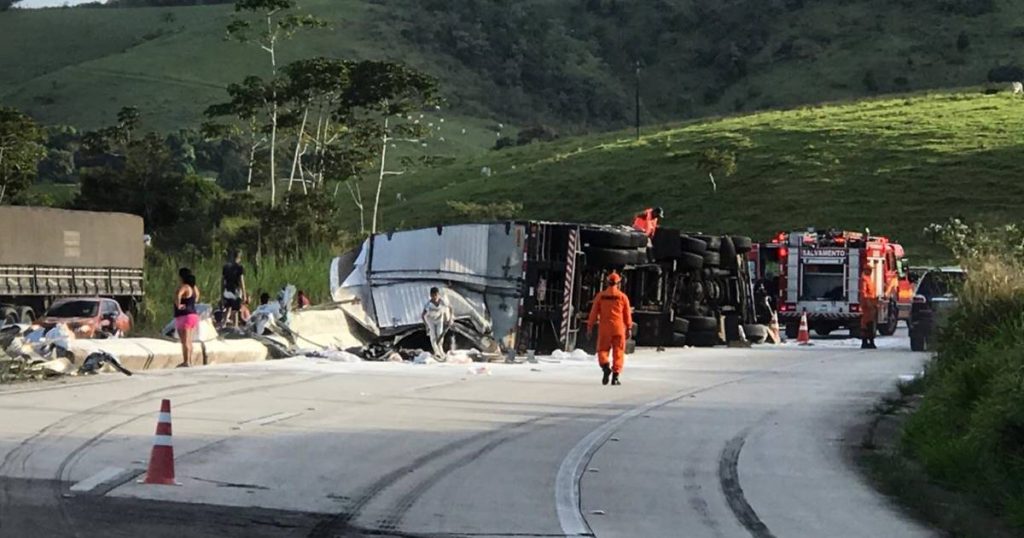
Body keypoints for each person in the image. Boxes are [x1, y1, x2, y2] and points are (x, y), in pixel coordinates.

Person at [587, 272, 633, 386]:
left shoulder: (600, 296)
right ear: (618, 283)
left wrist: (590, 327)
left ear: (607, 282)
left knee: (602, 350)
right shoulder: (623, 297)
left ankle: (605, 366)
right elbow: (627, 314)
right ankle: (615, 377)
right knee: (618, 352)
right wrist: (629, 327)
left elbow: (593, 313)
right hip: (618, 328)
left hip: (604, 329)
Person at [174, 268, 200, 367]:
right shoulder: (194, 288)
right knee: (189, 340)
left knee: (184, 341)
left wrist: (178, 304)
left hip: (184, 316)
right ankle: (189, 360)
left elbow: (178, 294)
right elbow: (197, 298)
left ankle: (186, 361)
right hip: (193, 315)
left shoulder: (184, 287)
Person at [422, 287, 453, 358]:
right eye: (432, 296)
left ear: (438, 295)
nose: (434, 297)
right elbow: (423, 315)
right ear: (430, 295)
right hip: (430, 320)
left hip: (439, 319)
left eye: (436, 295)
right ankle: (436, 352)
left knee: (440, 335)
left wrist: (450, 319)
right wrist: (426, 325)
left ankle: (441, 350)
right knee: (433, 336)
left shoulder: (443, 301)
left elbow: (451, 308)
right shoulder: (428, 304)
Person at [221, 250, 247, 327]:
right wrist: (244, 294)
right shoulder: (239, 267)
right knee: (235, 310)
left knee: (227, 308)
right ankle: (235, 326)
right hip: (236, 291)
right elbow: (241, 281)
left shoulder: (225, 267)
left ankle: (223, 324)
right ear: (240, 257)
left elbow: (222, 281)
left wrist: (222, 293)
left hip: (227, 290)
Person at [860, 262, 878, 350]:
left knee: (870, 323)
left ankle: (869, 342)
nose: (871, 271)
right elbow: (864, 293)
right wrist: (868, 303)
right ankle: (866, 342)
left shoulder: (868, 279)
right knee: (867, 324)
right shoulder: (864, 279)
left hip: (871, 304)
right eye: (869, 270)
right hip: (867, 305)